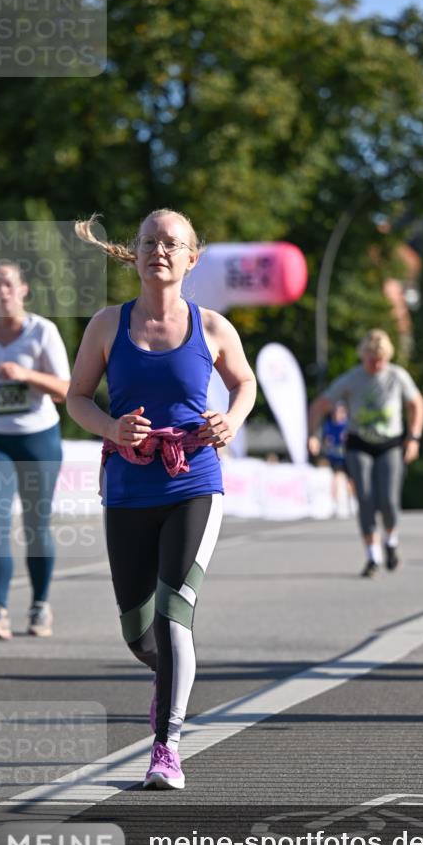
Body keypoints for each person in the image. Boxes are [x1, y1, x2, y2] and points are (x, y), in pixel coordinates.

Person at [67, 209, 256, 790]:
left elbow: (244, 383)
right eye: (150, 241)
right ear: (137, 252)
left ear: (192, 258)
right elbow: (76, 399)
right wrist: (112, 428)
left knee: (177, 611)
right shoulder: (106, 325)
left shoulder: (215, 327)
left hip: (193, 479)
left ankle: (166, 747)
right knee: (137, 629)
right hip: (128, 487)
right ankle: (171, 677)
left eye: (173, 243)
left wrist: (230, 418)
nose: (160, 250)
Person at [0, 262, 71, 639]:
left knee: (36, 526)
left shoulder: (42, 331)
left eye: (8, 285)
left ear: (23, 289)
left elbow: (67, 390)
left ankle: (40, 605)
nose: (1, 292)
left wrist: (27, 375)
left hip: (37, 438)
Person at [308, 329, 423, 577]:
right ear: (364, 357)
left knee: (389, 501)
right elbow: (320, 405)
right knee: (366, 499)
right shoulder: (352, 379)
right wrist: (313, 435)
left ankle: (391, 541)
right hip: (359, 443)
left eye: (381, 359)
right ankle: (373, 556)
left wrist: (413, 438)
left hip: (390, 443)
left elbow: (416, 404)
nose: (377, 364)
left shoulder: (397, 376)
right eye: (372, 359)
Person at [321, 401, 354, 518]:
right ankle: (335, 504)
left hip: (348, 457)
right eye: (336, 412)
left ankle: (352, 503)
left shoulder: (348, 425)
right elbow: (326, 440)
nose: (338, 415)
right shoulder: (329, 425)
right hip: (336, 458)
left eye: (340, 412)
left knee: (351, 481)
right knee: (336, 479)